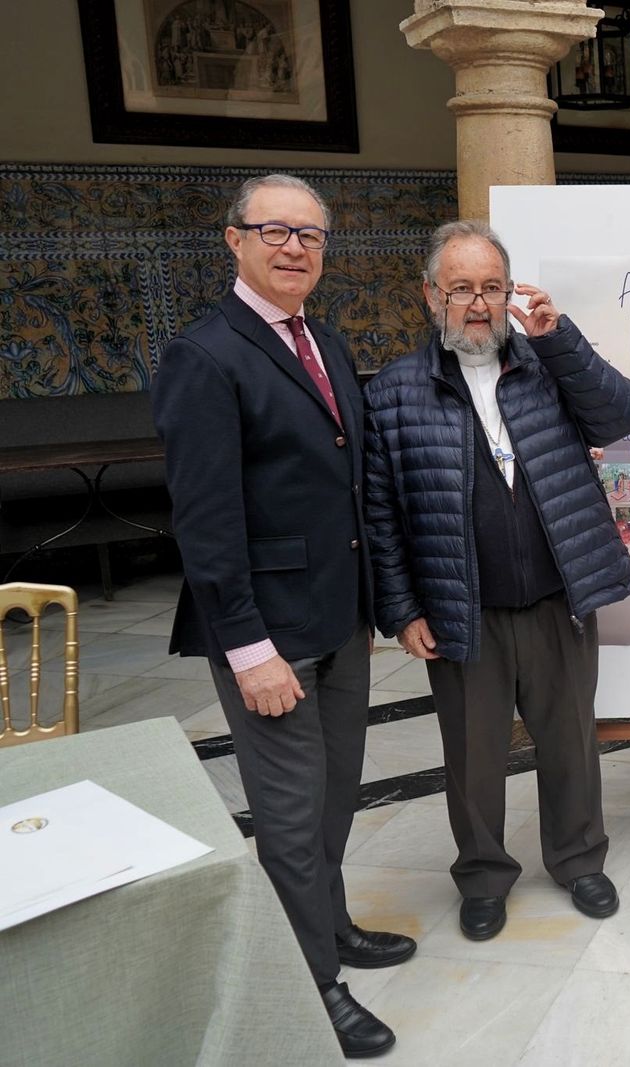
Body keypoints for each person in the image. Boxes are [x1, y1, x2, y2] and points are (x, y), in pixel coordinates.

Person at [152, 173, 412, 1059]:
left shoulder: (325, 343)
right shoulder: (206, 354)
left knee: (335, 795)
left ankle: (330, 926)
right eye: (275, 230)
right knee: (291, 814)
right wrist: (248, 647)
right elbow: (207, 519)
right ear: (235, 241)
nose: (295, 247)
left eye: (311, 234)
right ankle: (313, 983)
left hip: (337, 618)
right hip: (267, 635)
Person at [364, 220, 630, 942]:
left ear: (510, 292)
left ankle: (580, 858)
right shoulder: (395, 391)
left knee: (571, 740)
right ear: (431, 296)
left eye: (492, 287)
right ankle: (484, 876)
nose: (479, 304)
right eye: (461, 289)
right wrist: (400, 609)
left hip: (558, 597)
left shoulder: (548, 364)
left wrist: (561, 337)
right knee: (473, 755)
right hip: (464, 607)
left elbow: (620, 413)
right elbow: (382, 513)